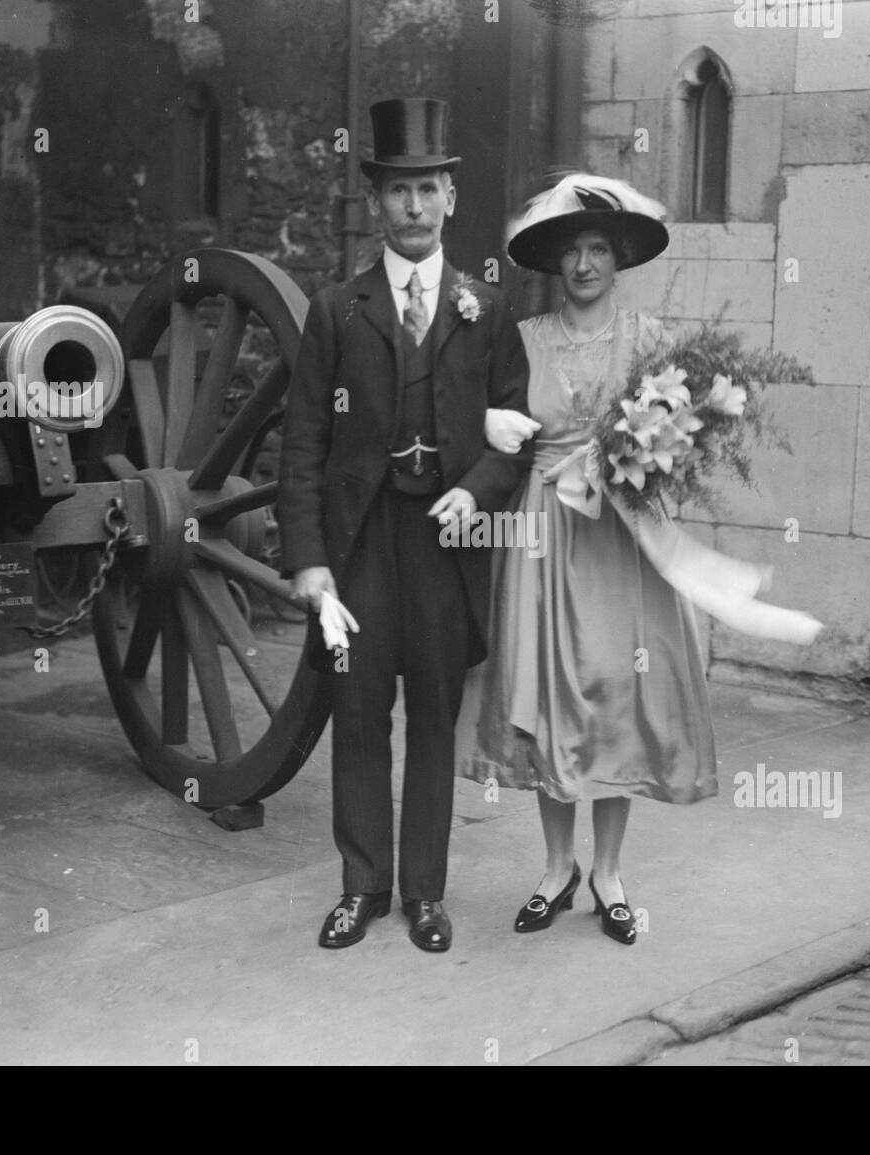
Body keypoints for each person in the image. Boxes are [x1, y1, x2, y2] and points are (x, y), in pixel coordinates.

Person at [464, 173, 818, 945]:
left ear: (618, 258)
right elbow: (500, 434)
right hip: (544, 533)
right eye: (572, 251)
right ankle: (556, 868)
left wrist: (641, 452)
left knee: (617, 694)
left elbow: (686, 436)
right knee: (554, 695)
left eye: (598, 249)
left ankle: (610, 873)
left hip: (622, 537)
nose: (585, 263)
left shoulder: (653, 342)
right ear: (555, 263)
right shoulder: (523, 342)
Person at [277, 98, 532, 953]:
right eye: (398, 191)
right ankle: (363, 886)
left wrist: (481, 488)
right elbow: (302, 442)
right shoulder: (336, 310)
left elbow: (516, 432)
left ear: (450, 199)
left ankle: (426, 892)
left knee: (432, 710)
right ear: (377, 203)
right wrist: (309, 562)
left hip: (445, 547)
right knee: (356, 710)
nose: (415, 206)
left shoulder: (486, 310)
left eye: (428, 188)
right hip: (359, 548)